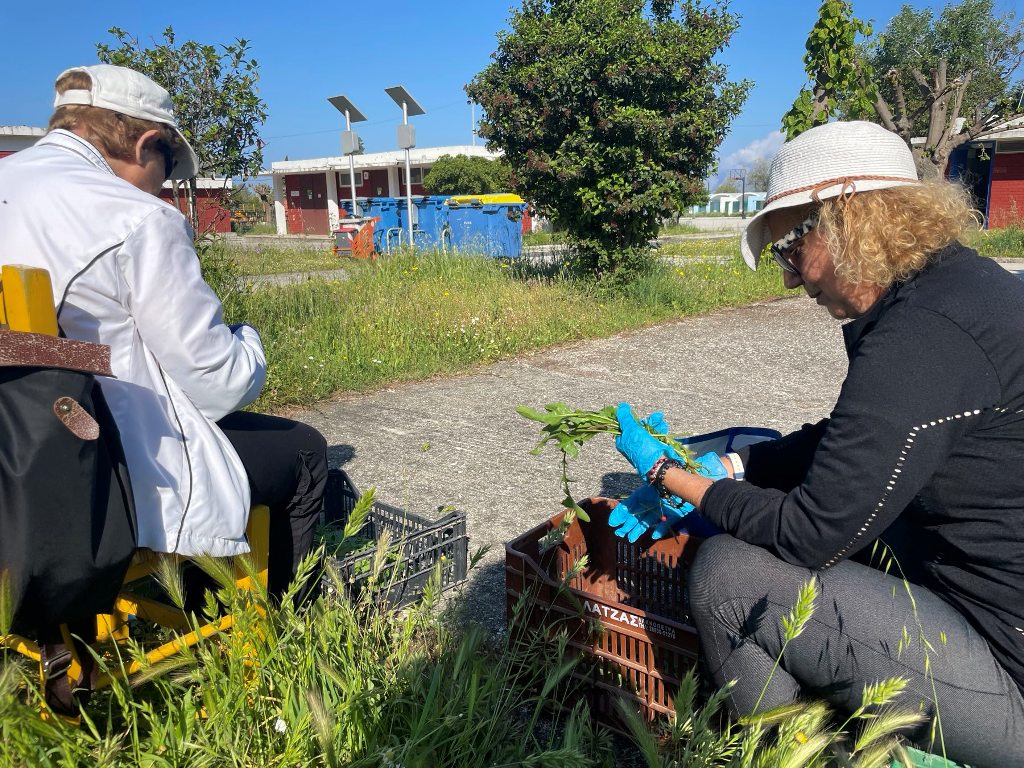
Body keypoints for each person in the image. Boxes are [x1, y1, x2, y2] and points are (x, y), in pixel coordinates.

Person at [611, 121, 1024, 766]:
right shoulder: (951, 292)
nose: (790, 279)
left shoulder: (925, 336)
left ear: (846, 219)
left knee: (728, 578)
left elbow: (810, 534)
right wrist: (738, 464)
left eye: (789, 249)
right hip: (975, 597)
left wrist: (676, 477)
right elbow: (857, 442)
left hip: (1007, 668)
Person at [0, 64, 327, 604]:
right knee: (305, 452)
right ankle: (277, 624)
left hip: (13, 463)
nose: (165, 186)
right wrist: (248, 340)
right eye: (169, 167)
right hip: (102, 471)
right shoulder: (137, 217)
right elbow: (217, 385)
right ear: (146, 143)